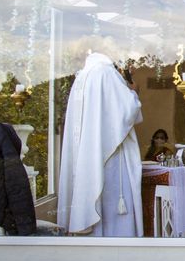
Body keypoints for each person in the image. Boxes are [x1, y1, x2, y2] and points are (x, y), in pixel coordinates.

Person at [58, 52, 144, 237]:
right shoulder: (106, 73)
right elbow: (129, 110)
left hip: (89, 154)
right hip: (110, 156)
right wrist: (134, 92)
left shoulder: (82, 76)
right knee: (114, 209)